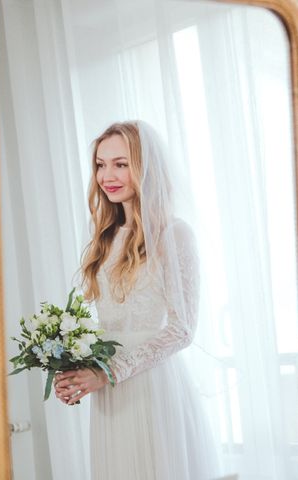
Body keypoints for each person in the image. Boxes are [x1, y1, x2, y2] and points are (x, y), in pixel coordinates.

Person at [53, 120, 221, 479]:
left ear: (146, 168)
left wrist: (105, 374)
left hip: (152, 388)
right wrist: (74, 371)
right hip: (110, 396)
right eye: (100, 164)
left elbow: (181, 330)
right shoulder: (103, 237)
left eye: (121, 163)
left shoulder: (175, 235)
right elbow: (107, 321)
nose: (107, 175)